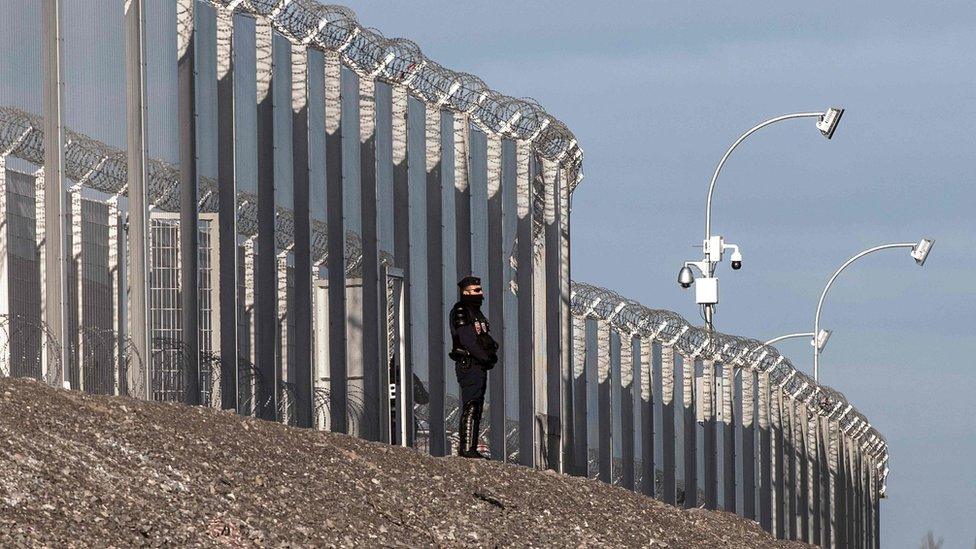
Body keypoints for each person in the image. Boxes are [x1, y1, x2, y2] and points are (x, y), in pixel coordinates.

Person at [449, 275, 498, 459]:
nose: (481, 293)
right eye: (476, 290)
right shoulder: (461, 310)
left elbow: (483, 337)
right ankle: (467, 448)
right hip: (468, 363)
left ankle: (471, 447)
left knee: (476, 405)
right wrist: (484, 356)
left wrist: (491, 353)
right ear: (465, 291)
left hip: (478, 364)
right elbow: (467, 339)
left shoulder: (477, 313)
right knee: (471, 405)